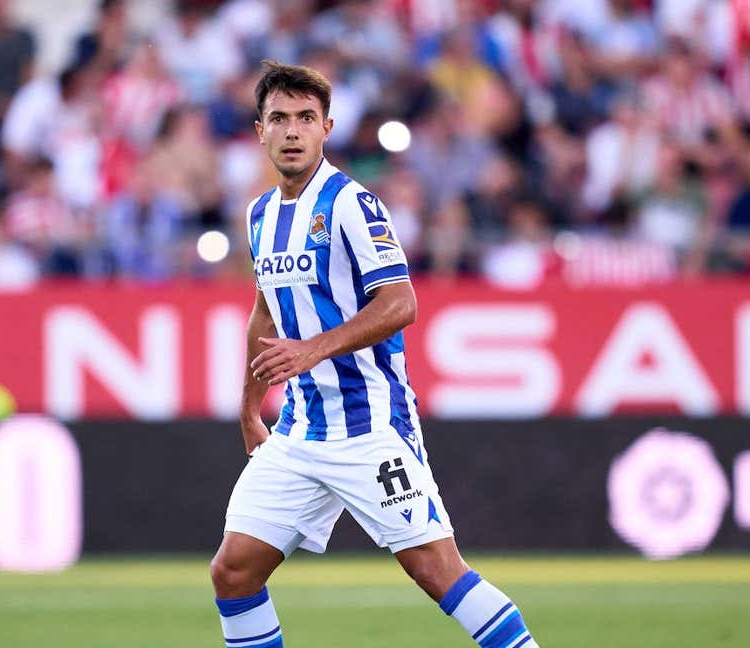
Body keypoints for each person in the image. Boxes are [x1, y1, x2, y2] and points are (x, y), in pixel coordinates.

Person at [210, 61, 540, 648]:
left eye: (305, 118)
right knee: (233, 571)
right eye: (279, 118)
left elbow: (400, 302)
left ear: (326, 127)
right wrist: (248, 405)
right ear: (259, 130)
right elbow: (263, 311)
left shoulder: (351, 205)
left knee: (436, 571)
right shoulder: (260, 215)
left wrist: (314, 349)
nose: (292, 131)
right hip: (300, 431)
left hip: (370, 426)